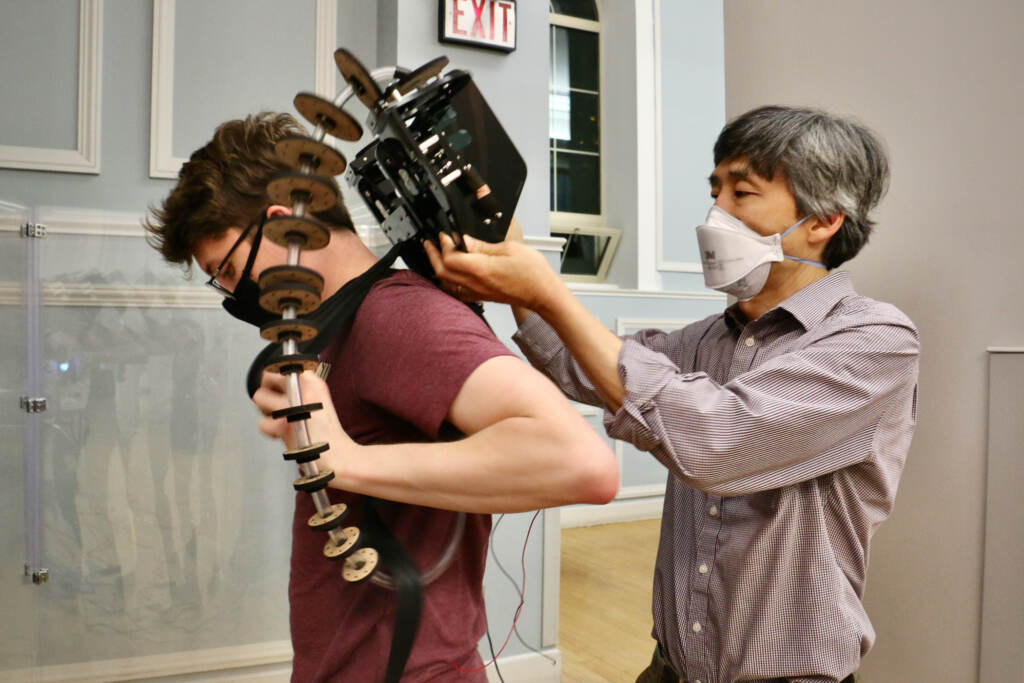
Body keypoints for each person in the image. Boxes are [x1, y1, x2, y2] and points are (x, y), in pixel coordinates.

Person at [425, 105, 919, 683]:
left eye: (743, 193)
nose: (717, 213)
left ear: (823, 221)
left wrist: (550, 294)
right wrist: (503, 261)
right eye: (715, 190)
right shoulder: (708, 338)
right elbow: (583, 366)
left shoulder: (876, 340)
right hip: (673, 668)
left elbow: (720, 442)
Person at [143, 111, 619, 682]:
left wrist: (348, 460)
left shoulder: (397, 317)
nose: (229, 293)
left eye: (226, 269)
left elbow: (584, 465)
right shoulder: (344, 326)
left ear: (282, 224)